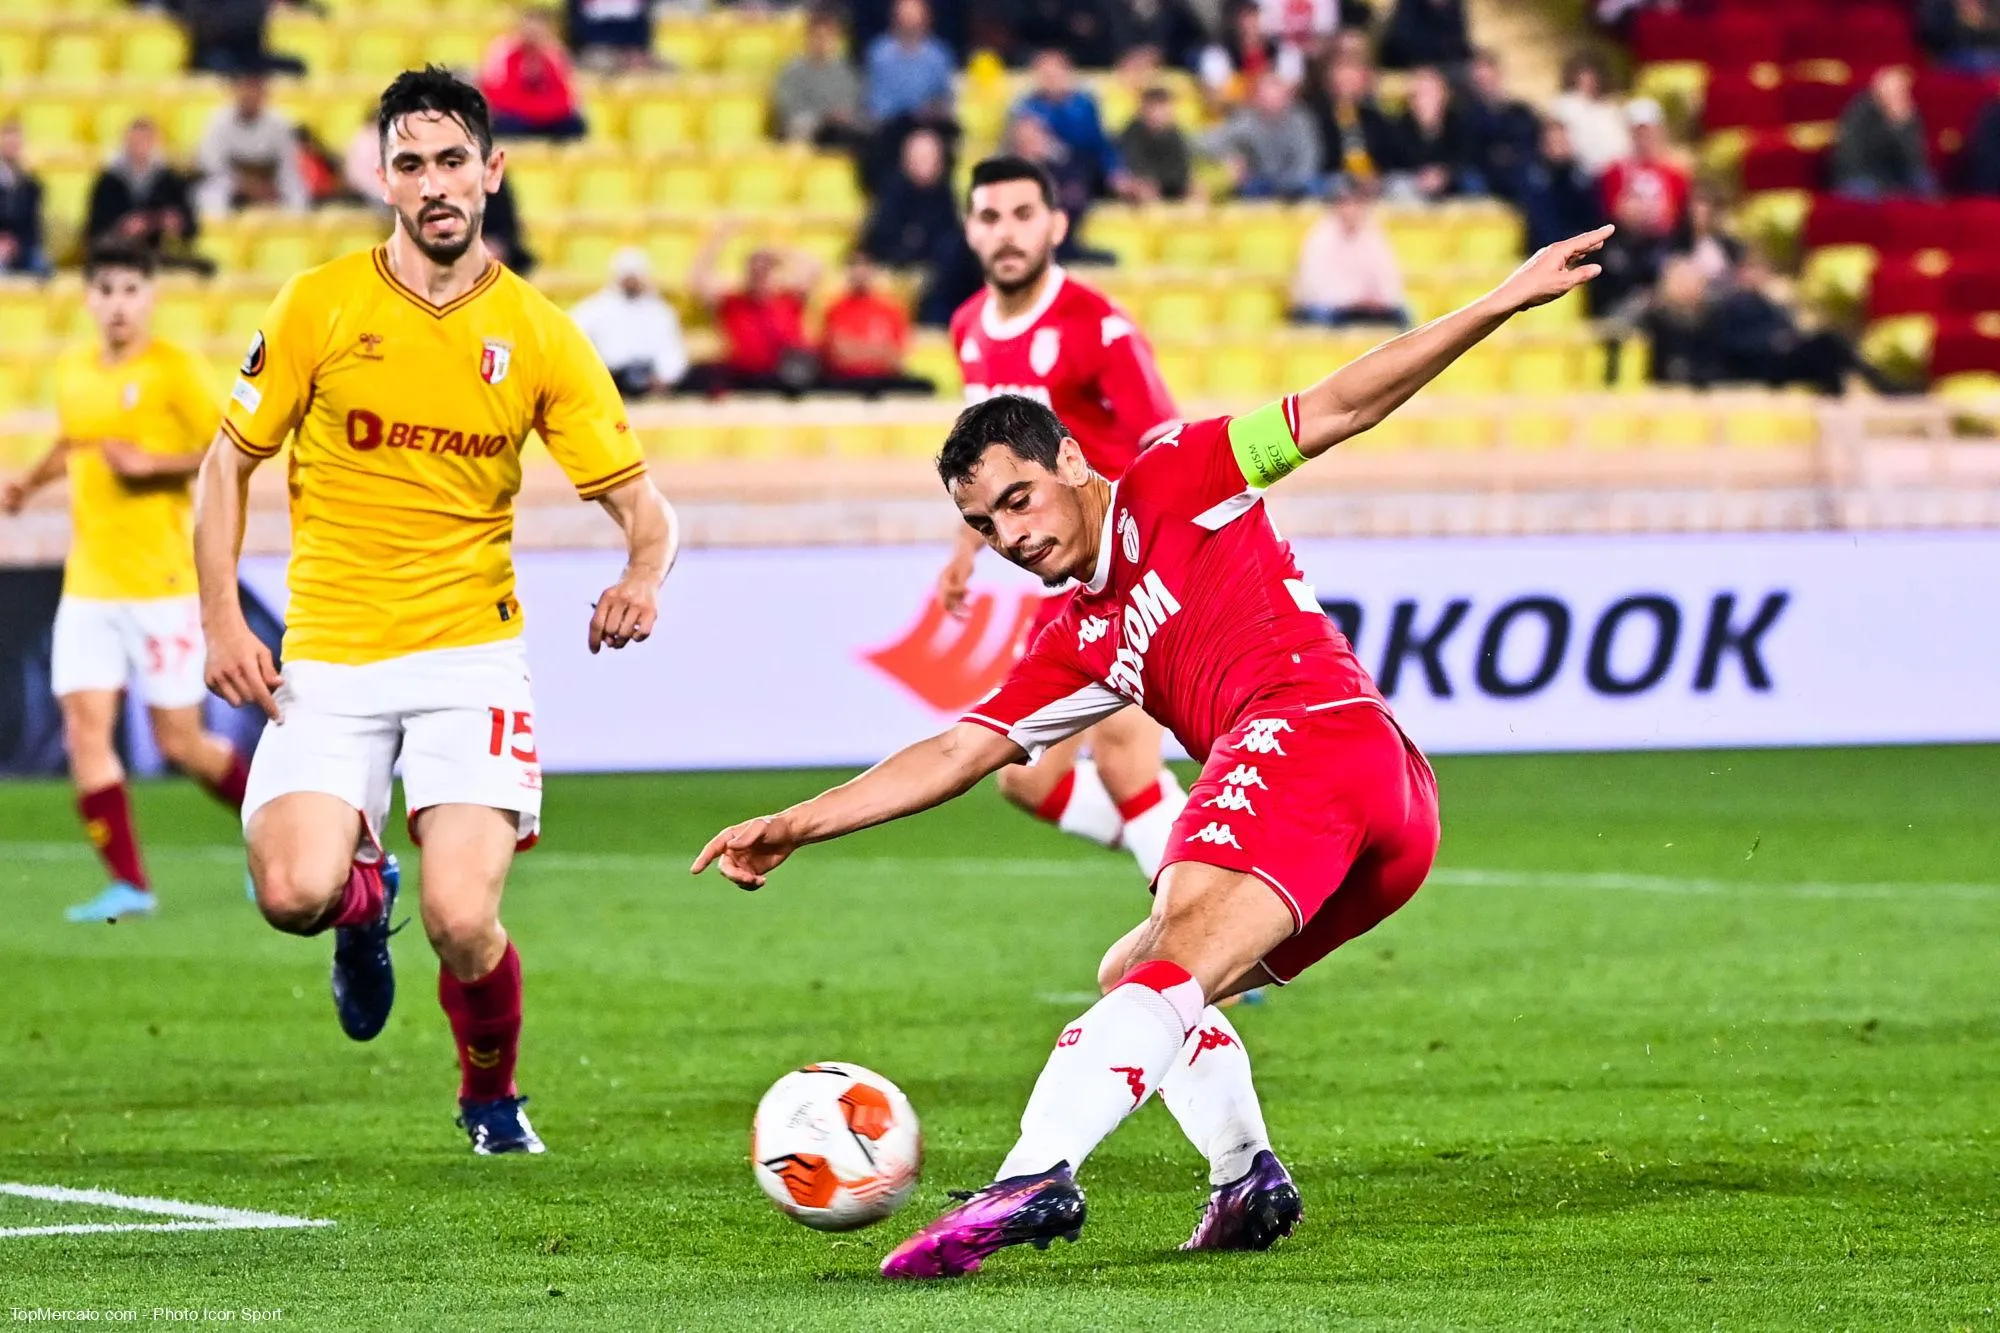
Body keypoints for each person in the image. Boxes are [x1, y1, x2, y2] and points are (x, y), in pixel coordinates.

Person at [693, 225, 1613, 1279]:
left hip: (1307, 733)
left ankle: (1031, 1175)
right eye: (983, 524)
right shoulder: (1075, 639)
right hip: (1383, 807)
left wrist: (1497, 301)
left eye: (1018, 498)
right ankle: (1242, 1172)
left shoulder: (1181, 472)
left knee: (1165, 956)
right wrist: (796, 822)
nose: (1009, 534)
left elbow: (1339, 406)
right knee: (1134, 969)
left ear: (1072, 461)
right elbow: (954, 752)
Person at [193, 67, 678, 1156]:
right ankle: (362, 905)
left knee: (465, 921)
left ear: (492, 172)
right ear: (381, 178)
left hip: (469, 657)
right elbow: (225, 466)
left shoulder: (540, 334)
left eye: (452, 159)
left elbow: (645, 509)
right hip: (327, 650)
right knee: (291, 892)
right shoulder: (318, 304)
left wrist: (643, 574)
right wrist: (224, 620)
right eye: (409, 163)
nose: (433, 183)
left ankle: (489, 1099)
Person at [940, 155, 1187, 882]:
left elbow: (1164, 443)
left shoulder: (1097, 326)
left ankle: (1210, 936)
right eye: (990, 217)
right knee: (1025, 778)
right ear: (970, 231)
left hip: (1130, 563)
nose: (1007, 232)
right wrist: (965, 549)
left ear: (1057, 224)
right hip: (1067, 579)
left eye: (1024, 214)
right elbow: (987, 466)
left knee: (1123, 759)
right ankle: (1202, 864)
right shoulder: (967, 329)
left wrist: (1165, 557)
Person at [0, 243, 253, 923]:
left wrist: (155, 465)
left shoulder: (176, 371)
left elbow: (229, 449)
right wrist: (29, 481)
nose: (117, 303)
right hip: (89, 586)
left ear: (150, 296)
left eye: (130, 289)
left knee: (180, 742)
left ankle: (276, 832)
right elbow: (77, 439)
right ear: (88, 298)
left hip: (161, 583)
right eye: (105, 289)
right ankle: (130, 884)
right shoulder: (75, 368)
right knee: (86, 730)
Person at [685, 222, 820, 397]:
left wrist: (779, 251)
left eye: (765, 269)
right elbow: (696, 281)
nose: (759, 275)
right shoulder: (733, 302)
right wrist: (718, 241)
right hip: (743, 377)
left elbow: (815, 268)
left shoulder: (789, 298)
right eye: (754, 269)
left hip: (786, 377)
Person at [569, 247, 688, 398]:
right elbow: (570, 338)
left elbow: (672, 350)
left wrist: (664, 377)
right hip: (611, 379)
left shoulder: (660, 311)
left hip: (650, 379)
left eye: (635, 276)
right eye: (627, 276)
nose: (631, 281)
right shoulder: (595, 309)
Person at [1290, 178, 1409, 326]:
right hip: (1331, 307)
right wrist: (1354, 300)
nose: (1351, 209)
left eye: (1356, 203)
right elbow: (1316, 288)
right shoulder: (1319, 238)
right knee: (1325, 316)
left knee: (1401, 315)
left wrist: (1379, 300)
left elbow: (1388, 279)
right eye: (1345, 203)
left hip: (1366, 307)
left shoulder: (1374, 236)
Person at [1012, 49, 1126, 200]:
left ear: (1067, 73)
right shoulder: (1028, 106)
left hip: (1083, 167)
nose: (1050, 81)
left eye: (1054, 75)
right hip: (1047, 168)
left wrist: (1115, 170)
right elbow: (1022, 145)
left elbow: (1099, 143)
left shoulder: (1084, 103)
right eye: (1044, 75)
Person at [819, 249, 935, 396]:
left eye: (865, 266)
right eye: (854, 266)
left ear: (873, 270)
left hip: (883, 380)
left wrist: (855, 347)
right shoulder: (834, 309)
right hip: (846, 381)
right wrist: (875, 350)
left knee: (924, 386)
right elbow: (838, 356)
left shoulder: (891, 310)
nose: (859, 272)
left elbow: (895, 358)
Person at [87, 118, 200, 267]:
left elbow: (191, 226)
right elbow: (94, 229)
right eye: (135, 142)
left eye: (145, 141)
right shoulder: (108, 181)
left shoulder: (170, 179)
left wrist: (177, 224)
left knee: (201, 266)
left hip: (158, 250)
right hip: (118, 253)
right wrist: (122, 228)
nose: (140, 147)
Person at [194, 73, 309, 220]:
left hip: (271, 184)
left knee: (298, 196)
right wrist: (248, 185)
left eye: (256, 88)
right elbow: (212, 166)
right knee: (209, 198)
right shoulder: (217, 122)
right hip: (231, 184)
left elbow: (289, 168)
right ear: (235, 91)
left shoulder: (280, 123)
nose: (250, 94)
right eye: (245, 88)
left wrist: (270, 189)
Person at [1207, 73, 1323, 201]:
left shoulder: (1301, 121)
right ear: (1256, 99)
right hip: (1258, 184)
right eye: (1265, 96)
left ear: (1288, 98)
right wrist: (1229, 155)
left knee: (1325, 183)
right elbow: (1211, 142)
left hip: (1296, 184)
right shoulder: (1246, 120)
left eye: (1277, 96)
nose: (1272, 101)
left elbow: (1308, 161)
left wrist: (1286, 188)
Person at [480, 7, 589, 142]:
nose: (533, 34)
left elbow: (566, 97)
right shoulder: (503, 52)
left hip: (548, 116)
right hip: (517, 116)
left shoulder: (554, 54)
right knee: (504, 124)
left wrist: (543, 112)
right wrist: (532, 110)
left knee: (574, 124)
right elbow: (496, 96)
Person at [859, 128, 959, 270]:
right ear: (906, 160)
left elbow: (949, 240)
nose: (924, 165)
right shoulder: (892, 196)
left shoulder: (946, 196)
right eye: (918, 158)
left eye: (929, 158)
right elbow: (880, 242)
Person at [1830, 66, 1936, 200]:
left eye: (1902, 90)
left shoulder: (1907, 114)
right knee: (1867, 190)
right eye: (1893, 89)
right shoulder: (1860, 112)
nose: (1898, 94)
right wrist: (1892, 128)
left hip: (1894, 176)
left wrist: (1901, 128)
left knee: (1923, 181)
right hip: (1860, 175)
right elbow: (1852, 155)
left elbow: (1915, 160)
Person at [773, 8, 867, 150]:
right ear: (808, 37)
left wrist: (841, 116)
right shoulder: (792, 71)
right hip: (807, 130)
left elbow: (854, 105)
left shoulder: (847, 70)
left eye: (827, 37)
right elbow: (789, 110)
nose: (821, 42)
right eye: (817, 36)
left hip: (841, 130)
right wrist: (823, 117)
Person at [1384, 65, 1479, 201]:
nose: (1426, 98)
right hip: (1414, 180)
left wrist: (1444, 174)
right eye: (1420, 93)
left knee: (1472, 180)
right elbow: (1395, 160)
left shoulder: (1459, 122)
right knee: (1398, 185)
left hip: (1451, 180)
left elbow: (1466, 155)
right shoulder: (1398, 125)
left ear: (1444, 95)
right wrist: (1422, 176)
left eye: (1432, 92)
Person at [1598, 98, 1689, 239]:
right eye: (1638, 132)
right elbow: (1614, 213)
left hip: (1665, 243)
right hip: (1625, 242)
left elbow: (1677, 216)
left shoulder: (1675, 174)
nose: (1644, 137)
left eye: (1648, 131)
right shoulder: (1614, 172)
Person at [1308, 56, 1400, 189]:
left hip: (1374, 179)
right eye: (1343, 81)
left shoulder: (1375, 118)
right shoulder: (1317, 117)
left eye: (1352, 82)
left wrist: (1375, 176)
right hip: (1334, 179)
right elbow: (1319, 158)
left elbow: (1388, 155)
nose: (1347, 87)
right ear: (1332, 83)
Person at [1463, 49, 1540, 202]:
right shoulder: (1466, 114)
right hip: (1484, 174)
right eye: (1480, 81)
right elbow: (1470, 152)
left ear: (1499, 76)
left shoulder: (1521, 112)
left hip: (1519, 171)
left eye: (1489, 79)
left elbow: (1531, 145)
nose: (1485, 85)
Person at [1520, 119, 1604, 254]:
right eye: (1553, 142)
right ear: (1542, 145)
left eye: (1562, 142)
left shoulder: (1582, 179)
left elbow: (1593, 218)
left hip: (1583, 250)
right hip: (1545, 252)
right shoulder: (1534, 180)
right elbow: (1541, 224)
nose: (1558, 148)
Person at [866, 0, 956, 126]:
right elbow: (875, 102)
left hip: (928, 125)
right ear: (895, 19)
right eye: (904, 16)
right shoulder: (879, 53)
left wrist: (933, 108)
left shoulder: (939, 55)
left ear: (926, 19)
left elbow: (946, 96)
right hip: (887, 126)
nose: (909, 22)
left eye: (914, 17)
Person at [1547, 51, 1630, 176]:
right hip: (1583, 172)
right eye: (1583, 74)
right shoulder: (1564, 105)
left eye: (1592, 75)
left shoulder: (1610, 109)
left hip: (1616, 171)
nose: (1588, 79)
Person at [1117, 87, 1194, 203]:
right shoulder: (1131, 133)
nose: (1163, 113)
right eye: (1157, 108)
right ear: (1144, 110)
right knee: (1144, 190)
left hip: (1167, 184)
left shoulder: (1175, 134)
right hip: (1137, 189)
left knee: (1197, 190)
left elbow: (1181, 171)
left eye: (1166, 108)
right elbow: (1136, 168)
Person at [0, 116, 49, 277]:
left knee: (42, 266)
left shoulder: (30, 184)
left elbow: (33, 224)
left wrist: (18, 244)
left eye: (16, 142)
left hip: (22, 246)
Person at [1378, 0, 1471, 71]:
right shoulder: (1406, 12)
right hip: (1407, 70)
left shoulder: (1462, 9)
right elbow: (1398, 46)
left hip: (1455, 71)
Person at [567, 0, 656, 73]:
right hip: (596, 49)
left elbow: (643, 23)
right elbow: (577, 27)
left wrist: (638, 50)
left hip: (632, 50)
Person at [1918, 0, 2000, 74]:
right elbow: (1933, 40)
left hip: (1988, 59)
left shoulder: (1992, 5)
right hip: (1953, 60)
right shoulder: (1938, 7)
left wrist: (1982, 23)